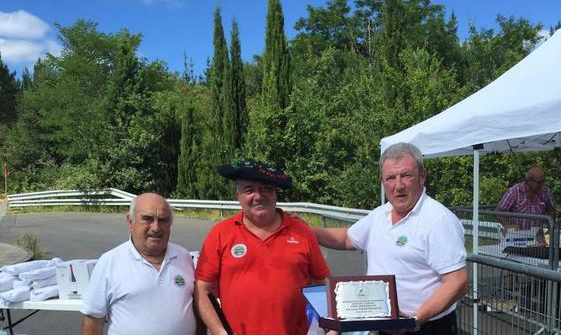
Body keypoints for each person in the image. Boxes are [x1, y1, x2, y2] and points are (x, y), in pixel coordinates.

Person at [312, 143, 468, 335]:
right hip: (387, 327)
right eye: (391, 178)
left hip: (425, 327)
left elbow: (458, 282)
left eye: (406, 175)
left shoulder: (438, 220)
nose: (398, 185)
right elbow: (346, 239)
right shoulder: (380, 214)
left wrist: (415, 320)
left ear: (422, 176)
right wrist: (305, 231)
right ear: (382, 181)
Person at [195, 161, 331, 335]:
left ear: (275, 194)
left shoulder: (302, 232)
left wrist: (330, 328)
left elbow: (324, 285)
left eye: (266, 188)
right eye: (249, 190)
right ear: (238, 196)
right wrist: (219, 331)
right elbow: (202, 289)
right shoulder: (220, 233)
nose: (258, 196)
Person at [81, 193, 202, 335]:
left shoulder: (184, 257)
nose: (156, 227)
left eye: (163, 220)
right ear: (130, 222)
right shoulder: (109, 262)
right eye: (147, 219)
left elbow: (196, 309)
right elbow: (93, 323)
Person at [496, 166, 556, 230]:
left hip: (538, 235)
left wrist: (550, 226)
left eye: (543, 181)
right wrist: (508, 226)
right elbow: (498, 211)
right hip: (517, 235)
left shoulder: (546, 191)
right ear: (529, 181)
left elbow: (551, 210)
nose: (542, 184)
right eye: (539, 182)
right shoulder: (513, 192)